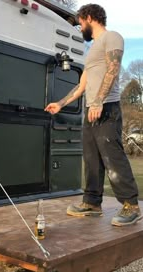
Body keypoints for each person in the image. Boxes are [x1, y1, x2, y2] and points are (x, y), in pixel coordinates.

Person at [45, 4, 142, 226]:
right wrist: (60, 103)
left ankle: (131, 206)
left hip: (107, 107)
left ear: (89, 18)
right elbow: (82, 85)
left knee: (112, 156)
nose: (80, 27)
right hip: (92, 108)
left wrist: (98, 100)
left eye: (80, 22)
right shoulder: (93, 50)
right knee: (91, 158)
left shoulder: (112, 37)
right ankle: (92, 203)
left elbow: (113, 69)